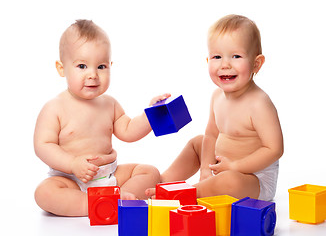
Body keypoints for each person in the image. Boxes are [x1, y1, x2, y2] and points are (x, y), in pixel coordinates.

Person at [34, 19, 170, 216]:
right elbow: (43, 145)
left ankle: (116, 198)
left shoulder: (110, 104)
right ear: (61, 68)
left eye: (101, 66)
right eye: (82, 66)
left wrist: (150, 116)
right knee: (44, 193)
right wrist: (72, 164)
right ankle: (95, 204)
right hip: (70, 179)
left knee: (149, 171)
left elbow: (129, 130)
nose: (93, 75)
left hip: (109, 174)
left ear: (110, 66)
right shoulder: (55, 108)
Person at [146, 14, 283, 201]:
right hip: (221, 166)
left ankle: (191, 192)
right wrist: (205, 169)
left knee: (230, 181)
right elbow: (211, 135)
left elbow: (274, 149)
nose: (225, 64)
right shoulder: (217, 96)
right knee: (198, 142)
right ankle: (163, 181)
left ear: (256, 64)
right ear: (207, 61)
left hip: (252, 179)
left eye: (236, 56)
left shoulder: (259, 104)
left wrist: (236, 166)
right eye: (217, 57)